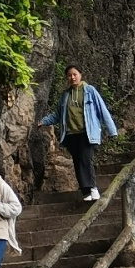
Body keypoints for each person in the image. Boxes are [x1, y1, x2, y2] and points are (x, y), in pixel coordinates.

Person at [39, 65, 118, 202]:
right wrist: (43, 122)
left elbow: (102, 110)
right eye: (69, 75)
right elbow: (58, 114)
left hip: (87, 132)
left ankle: (92, 187)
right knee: (77, 161)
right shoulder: (65, 95)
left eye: (75, 74)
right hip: (71, 133)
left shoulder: (89, 90)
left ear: (80, 75)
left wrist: (112, 130)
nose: (72, 77)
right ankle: (85, 191)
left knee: (85, 158)